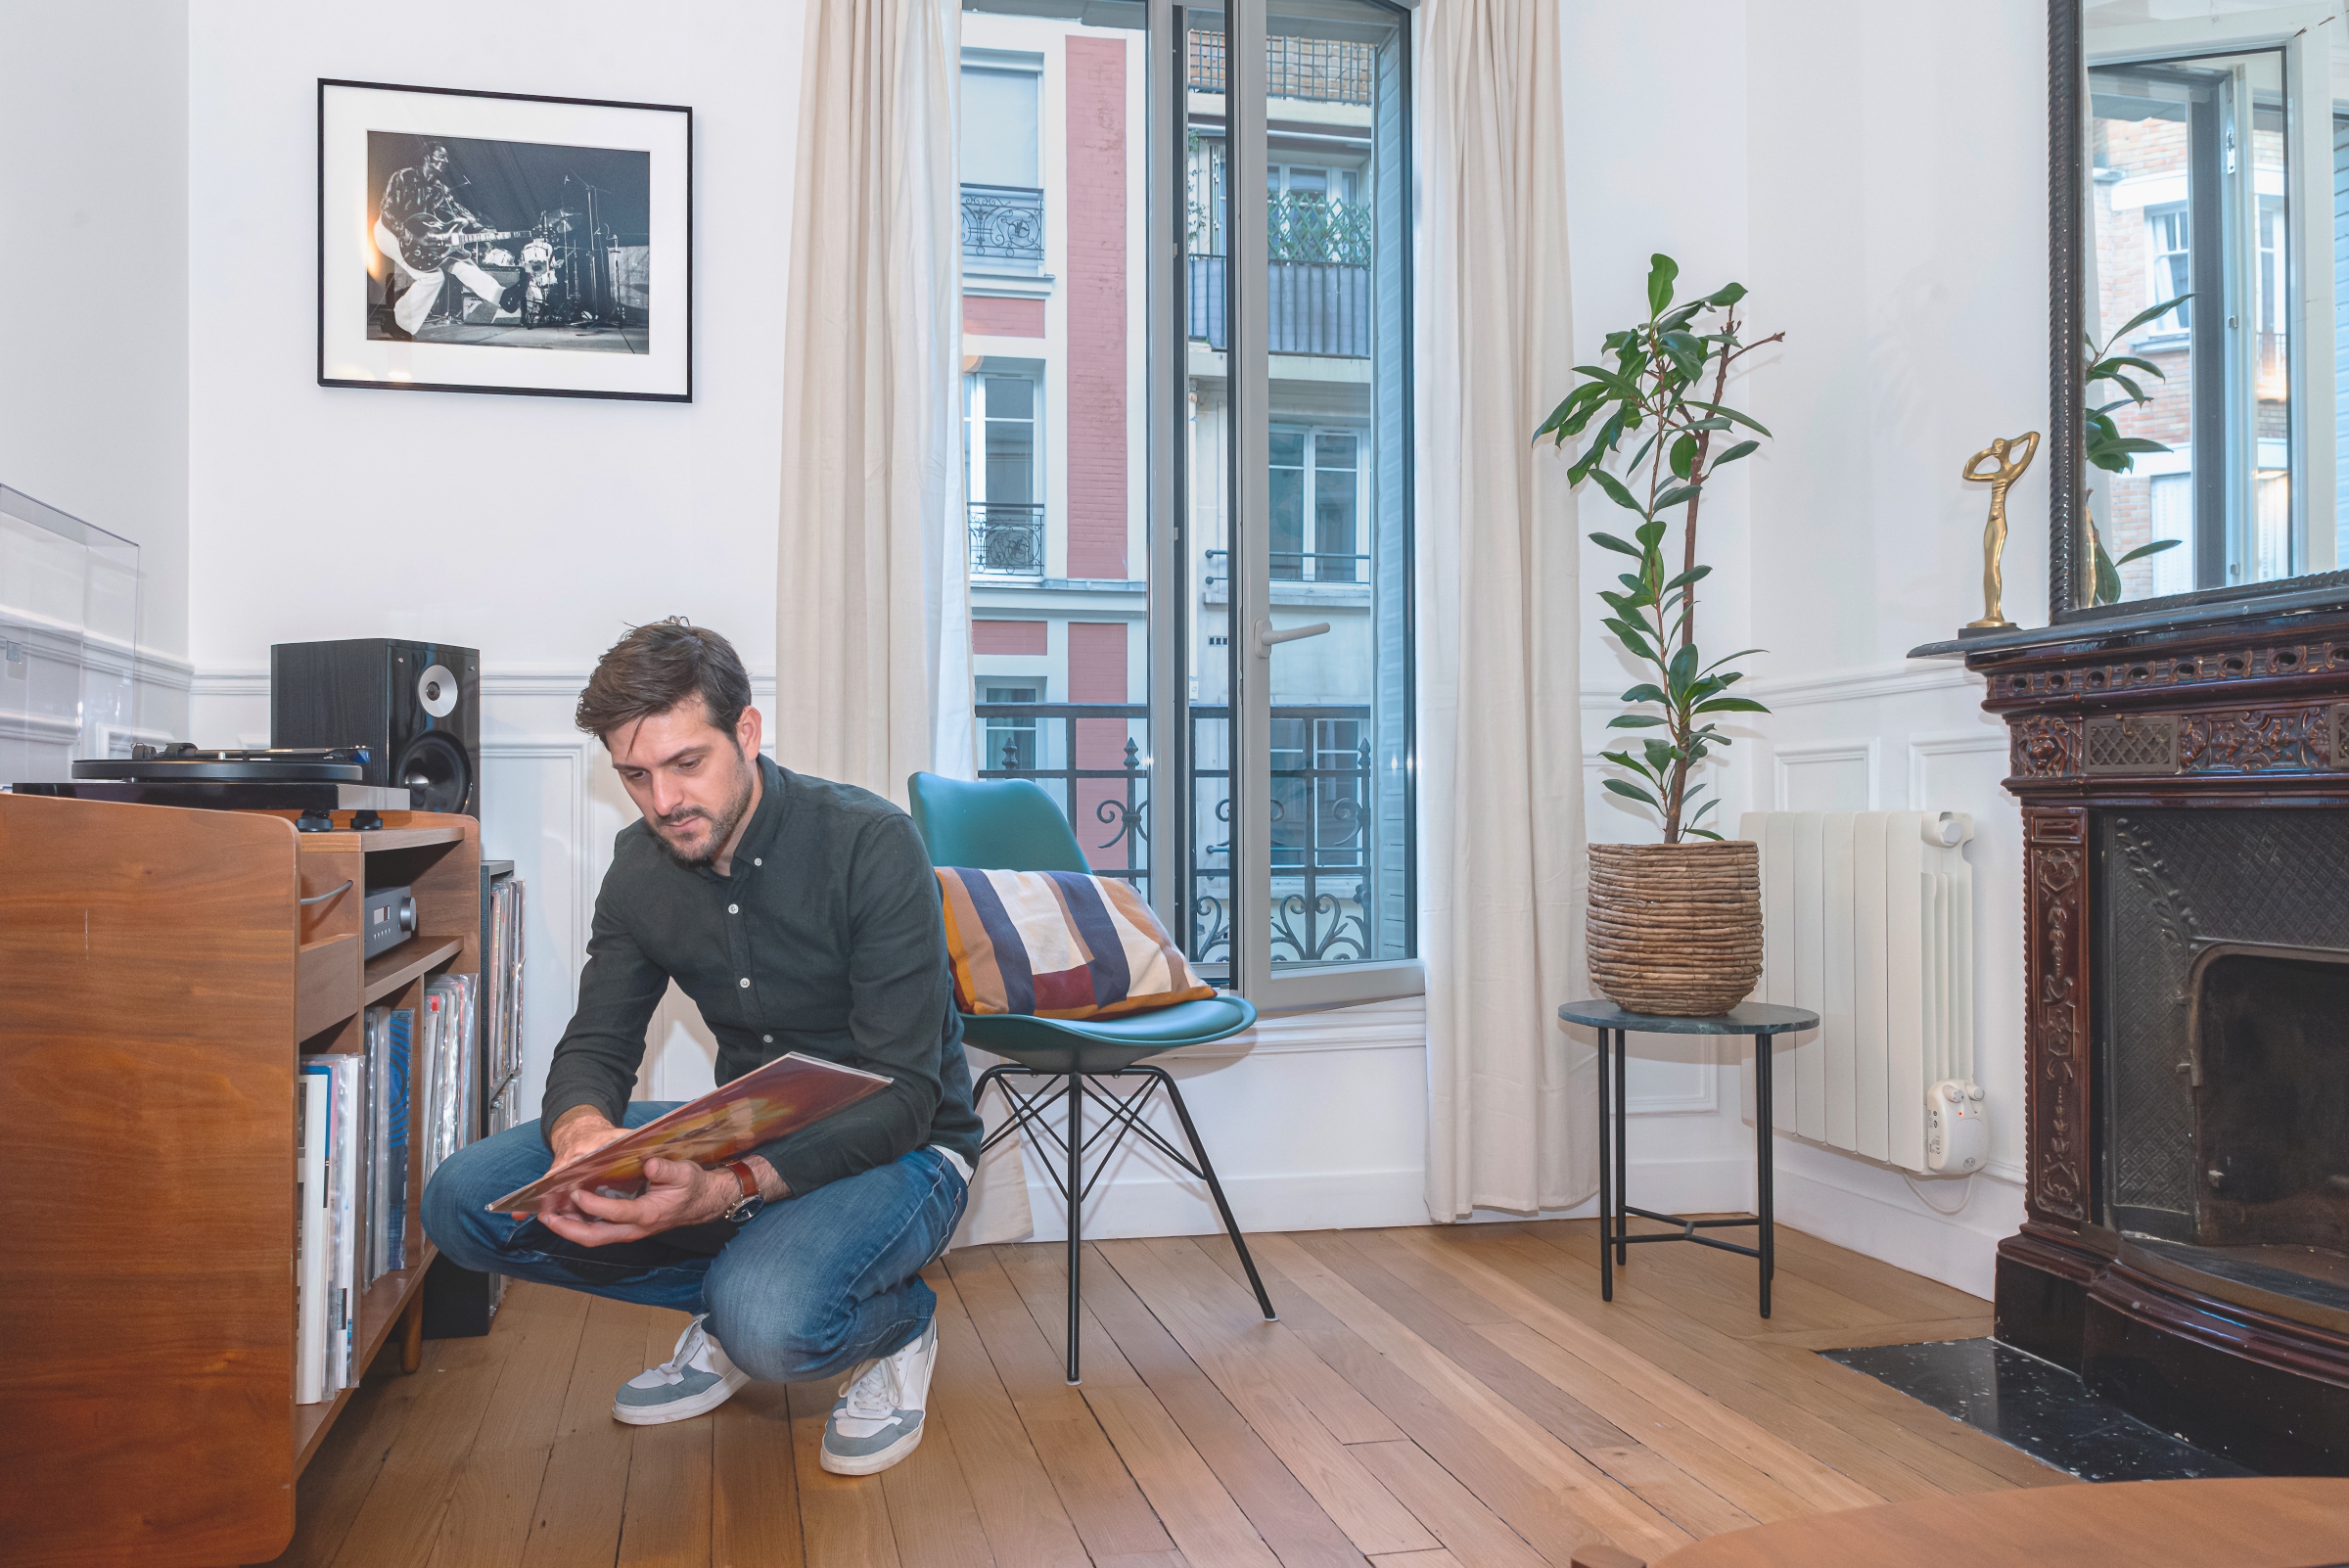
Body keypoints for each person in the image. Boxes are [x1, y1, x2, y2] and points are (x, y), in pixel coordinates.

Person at [423, 619, 979, 1476]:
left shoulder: (870, 842)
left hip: (905, 1146)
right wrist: (582, 1139)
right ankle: (739, 1295)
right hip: (746, 1128)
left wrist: (725, 1190)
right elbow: (598, 1041)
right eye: (636, 776)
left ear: (746, 734)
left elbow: (906, 1093)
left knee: (774, 1326)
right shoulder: (639, 869)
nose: (664, 801)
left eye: (687, 764)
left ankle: (893, 1323)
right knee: (466, 1203)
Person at [372, 141, 517, 339]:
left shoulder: (438, 187)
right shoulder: (403, 177)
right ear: (427, 158)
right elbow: (388, 214)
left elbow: (456, 209)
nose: (446, 161)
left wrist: (480, 228)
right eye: (442, 156)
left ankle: (502, 296)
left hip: (422, 237)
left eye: (447, 157)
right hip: (389, 233)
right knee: (433, 277)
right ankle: (397, 322)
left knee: (459, 262)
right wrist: (412, 237)